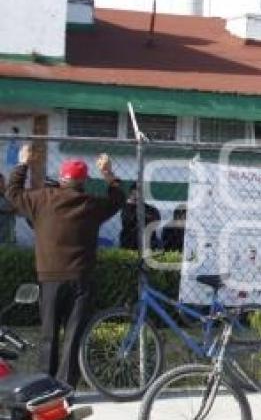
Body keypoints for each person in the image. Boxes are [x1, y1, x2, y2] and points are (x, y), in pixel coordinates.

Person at [6, 146, 124, 388]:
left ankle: (44, 385)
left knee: (49, 334)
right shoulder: (90, 204)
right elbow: (118, 199)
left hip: (49, 278)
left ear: (61, 178)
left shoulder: (40, 199)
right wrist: (109, 173)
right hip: (80, 278)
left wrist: (22, 163)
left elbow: (13, 193)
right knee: (73, 336)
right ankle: (65, 387)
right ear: (83, 182)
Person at [120, 182, 162, 251]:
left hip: (148, 243)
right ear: (130, 194)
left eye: (139, 192)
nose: (137, 195)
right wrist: (131, 206)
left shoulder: (151, 209)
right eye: (133, 193)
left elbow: (155, 222)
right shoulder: (126, 208)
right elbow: (128, 222)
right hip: (129, 243)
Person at [0, 173, 16, 244]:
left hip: (9, 239)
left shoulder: (5, 198)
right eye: (1, 182)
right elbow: (10, 208)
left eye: (3, 182)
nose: (3, 185)